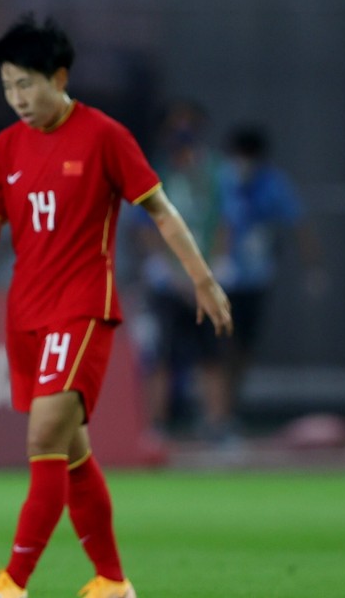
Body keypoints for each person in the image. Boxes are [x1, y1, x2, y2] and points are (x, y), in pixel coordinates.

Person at [0, 14, 231, 598]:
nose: (18, 98)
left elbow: (161, 211)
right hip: (26, 313)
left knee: (45, 435)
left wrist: (202, 279)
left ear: (61, 76)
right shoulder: (6, 148)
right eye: (8, 87)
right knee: (72, 453)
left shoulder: (103, 136)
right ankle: (113, 581)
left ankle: (12, 582)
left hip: (83, 309)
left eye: (28, 83)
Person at [205, 124, 324, 441]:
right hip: (222, 280)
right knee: (220, 347)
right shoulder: (220, 179)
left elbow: (299, 224)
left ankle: (228, 410)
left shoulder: (272, 183)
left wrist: (313, 268)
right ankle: (217, 415)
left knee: (243, 350)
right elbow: (213, 222)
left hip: (254, 280)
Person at [128, 100, 225, 442]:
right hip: (167, 282)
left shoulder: (215, 174)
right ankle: (156, 426)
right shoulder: (156, 172)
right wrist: (170, 273)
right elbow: (145, 228)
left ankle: (216, 425)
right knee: (161, 356)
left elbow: (224, 224)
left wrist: (207, 274)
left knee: (212, 355)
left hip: (205, 279)